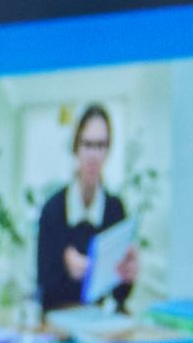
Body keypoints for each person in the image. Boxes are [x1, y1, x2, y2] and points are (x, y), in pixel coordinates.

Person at [30, 99, 134, 325]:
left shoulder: (115, 209)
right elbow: (42, 286)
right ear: (76, 147)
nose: (94, 155)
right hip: (57, 326)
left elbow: (120, 295)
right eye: (87, 144)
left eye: (101, 145)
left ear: (108, 150)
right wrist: (64, 266)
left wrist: (128, 275)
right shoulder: (52, 209)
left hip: (99, 324)